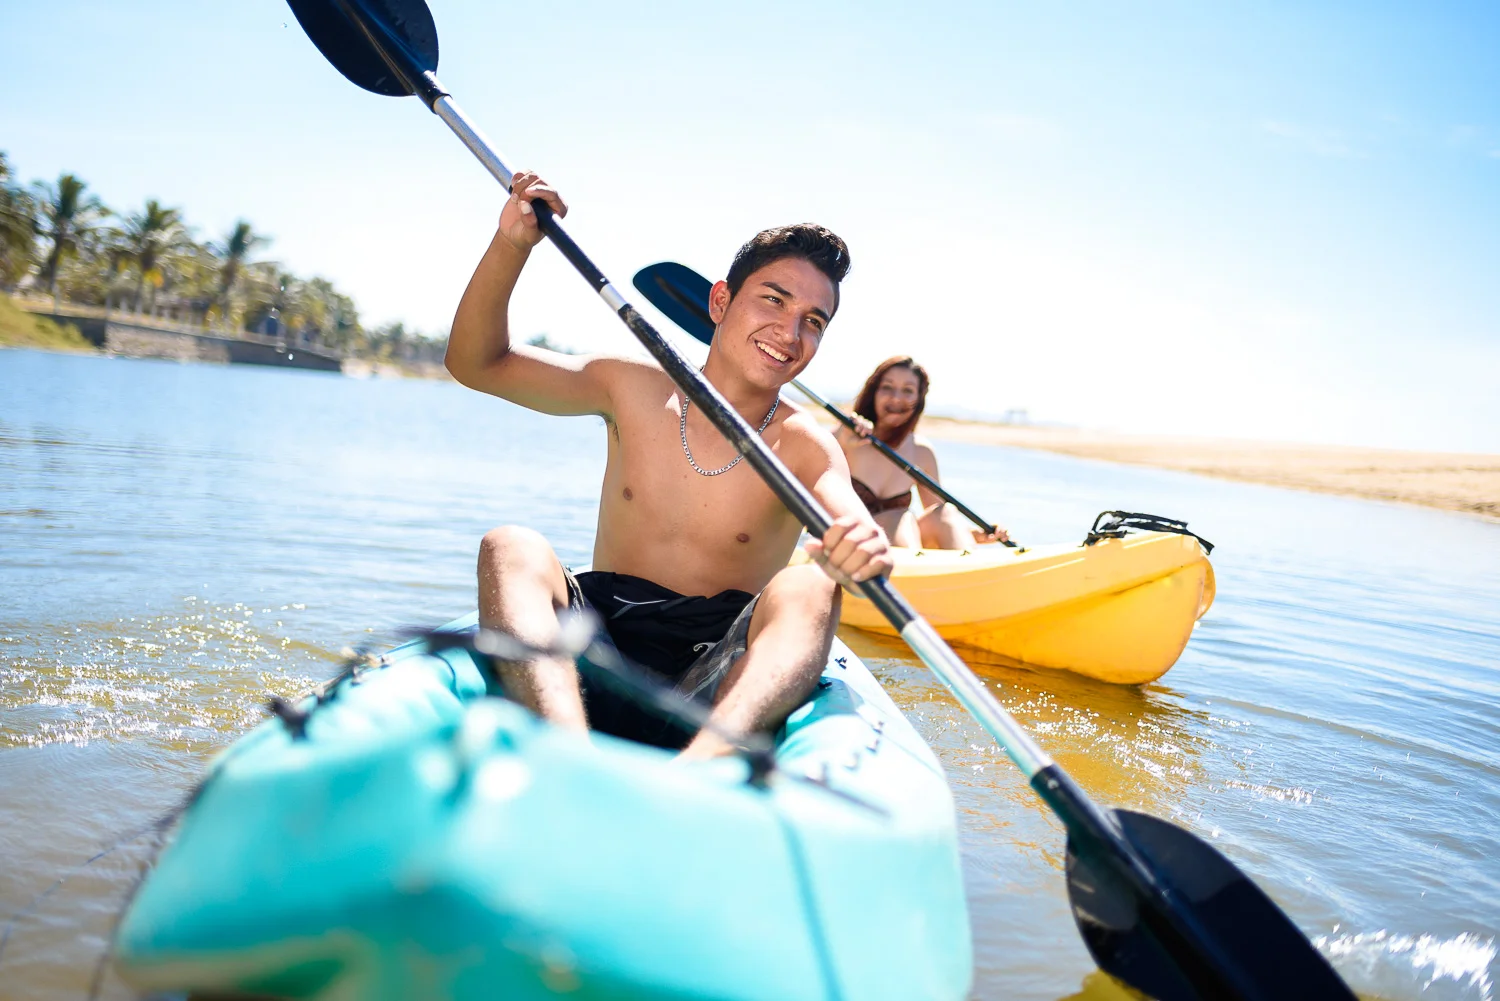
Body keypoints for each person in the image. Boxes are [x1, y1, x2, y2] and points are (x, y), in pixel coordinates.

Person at [445, 171, 893, 760]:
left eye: (813, 321)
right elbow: (476, 363)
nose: (789, 332)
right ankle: (567, 761)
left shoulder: (805, 443)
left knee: (812, 583)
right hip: (591, 653)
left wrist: (862, 547)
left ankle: (695, 778)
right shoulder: (628, 384)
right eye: (774, 299)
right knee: (509, 545)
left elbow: (850, 522)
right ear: (720, 301)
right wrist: (511, 246)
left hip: (713, 680)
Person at [835, 356, 1010, 549]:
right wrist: (840, 441)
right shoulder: (843, 435)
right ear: (873, 392)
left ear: (919, 400)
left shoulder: (921, 452)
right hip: (845, 543)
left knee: (945, 512)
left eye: (908, 390)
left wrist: (977, 535)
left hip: (901, 548)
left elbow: (939, 519)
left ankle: (969, 568)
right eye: (887, 387)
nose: (896, 398)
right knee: (901, 517)